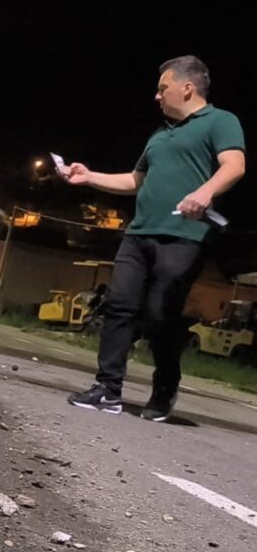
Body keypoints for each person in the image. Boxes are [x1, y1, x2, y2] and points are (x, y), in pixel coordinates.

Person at [60, 56, 245, 421]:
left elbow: (235, 166)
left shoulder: (221, 121)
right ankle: (108, 389)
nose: (157, 96)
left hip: (184, 236)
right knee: (119, 305)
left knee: (160, 314)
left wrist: (205, 192)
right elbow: (135, 181)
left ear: (186, 88)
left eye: (163, 88)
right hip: (139, 233)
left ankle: (165, 387)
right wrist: (89, 176)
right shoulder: (160, 134)